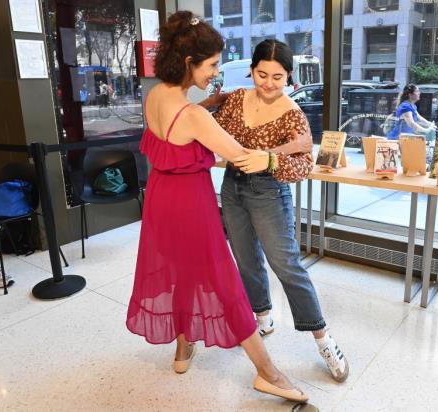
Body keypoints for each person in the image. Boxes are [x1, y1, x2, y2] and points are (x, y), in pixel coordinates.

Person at [126, 12, 308, 403]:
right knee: (225, 281)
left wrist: (213, 105)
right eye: (211, 66)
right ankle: (267, 372)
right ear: (190, 63)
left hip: (160, 198)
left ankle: (181, 346)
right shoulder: (193, 116)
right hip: (191, 202)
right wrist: (289, 148)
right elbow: (244, 157)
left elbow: (172, 142)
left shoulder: (155, 96)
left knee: (181, 271)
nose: (215, 73)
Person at [214, 39, 349, 383]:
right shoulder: (236, 101)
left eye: (277, 76)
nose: (269, 83)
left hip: (269, 193)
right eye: (262, 74)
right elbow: (215, 134)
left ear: (289, 77)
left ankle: (324, 340)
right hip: (232, 187)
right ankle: (263, 317)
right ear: (252, 71)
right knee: (245, 258)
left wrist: (270, 158)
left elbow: (304, 166)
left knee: (286, 265)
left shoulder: (293, 113)